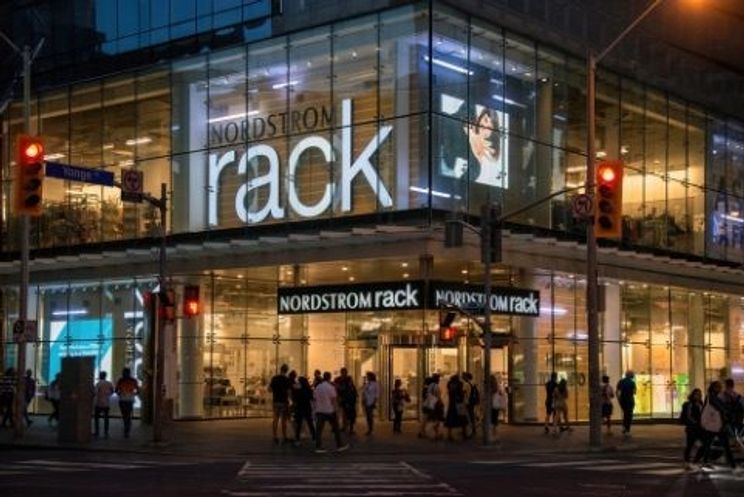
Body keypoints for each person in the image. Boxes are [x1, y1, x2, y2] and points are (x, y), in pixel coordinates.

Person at [695, 380, 739, 473]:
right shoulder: (712, 397)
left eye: (720, 386)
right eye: (718, 387)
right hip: (715, 426)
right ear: (714, 388)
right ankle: (733, 466)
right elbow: (721, 408)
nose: (720, 388)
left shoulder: (713, 397)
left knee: (708, 445)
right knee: (721, 446)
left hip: (715, 426)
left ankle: (705, 462)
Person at [313, 371, 348, 453]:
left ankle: (318, 447)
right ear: (329, 377)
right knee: (336, 429)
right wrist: (336, 410)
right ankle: (339, 445)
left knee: (319, 430)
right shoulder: (331, 387)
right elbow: (333, 400)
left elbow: (314, 397)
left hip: (320, 410)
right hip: (329, 411)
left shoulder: (318, 387)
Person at [680, 388, 703, 470]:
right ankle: (687, 463)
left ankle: (695, 462)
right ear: (693, 395)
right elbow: (689, 416)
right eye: (697, 394)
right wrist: (696, 423)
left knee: (703, 446)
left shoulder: (701, 404)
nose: (698, 396)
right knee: (690, 446)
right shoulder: (689, 404)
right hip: (691, 429)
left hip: (700, 429)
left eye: (700, 394)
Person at [268, 364, 292, 444]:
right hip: (284, 401)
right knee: (284, 420)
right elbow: (289, 392)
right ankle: (284, 437)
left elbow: (269, 389)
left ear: (280, 369)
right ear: (286, 370)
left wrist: (275, 390)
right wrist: (290, 400)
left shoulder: (274, 378)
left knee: (275, 419)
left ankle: (275, 436)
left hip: (276, 401)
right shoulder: (287, 379)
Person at [115, 367, 139, 439]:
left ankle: (126, 429)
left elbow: (116, 390)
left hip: (122, 400)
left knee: (125, 415)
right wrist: (133, 394)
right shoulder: (133, 380)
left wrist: (121, 394)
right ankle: (127, 430)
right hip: (130, 400)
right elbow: (138, 390)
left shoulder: (121, 380)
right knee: (128, 416)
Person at [292, 376, 315, 446]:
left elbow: (294, 397)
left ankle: (297, 439)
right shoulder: (308, 388)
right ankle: (314, 437)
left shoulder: (297, 388)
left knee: (298, 425)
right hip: (307, 407)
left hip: (299, 408)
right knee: (310, 423)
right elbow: (311, 397)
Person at [444, 374, 468, 441]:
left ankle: (449, 435)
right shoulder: (459, 384)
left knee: (450, 420)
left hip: (452, 404)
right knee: (463, 419)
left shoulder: (449, 384)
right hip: (459, 403)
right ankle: (464, 433)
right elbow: (461, 393)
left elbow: (450, 392)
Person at [334, 368, 358, 435]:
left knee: (350, 414)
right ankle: (345, 427)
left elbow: (350, 388)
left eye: (345, 372)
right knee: (344, 413)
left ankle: (349, 428)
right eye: (343, 372)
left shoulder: (348, 379)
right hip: (343, 399)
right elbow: (337, 388)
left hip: (349, 399)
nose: (344, 373)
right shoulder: (338, 379)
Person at [418, 374, 442, 440]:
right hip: (432, 405)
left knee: (425, 419)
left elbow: (424, 397)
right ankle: (434, 434)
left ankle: (422, 432)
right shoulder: (434, 386)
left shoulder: (426, 388)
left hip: (426, 405)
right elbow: (438, 396)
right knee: (435, 419)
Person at [93, 371, 115, 438]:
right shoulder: (109, 383)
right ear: (105, 376)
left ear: (100, 376)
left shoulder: (98, 384)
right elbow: (112, 391)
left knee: (96, 418)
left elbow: (95, 393)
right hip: (106, 403)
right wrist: (108, 395)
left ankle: (97, 432)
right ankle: (106, 433)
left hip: (99, 403)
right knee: (106, 418)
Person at [616, 370, 637, 438]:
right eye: (632, 374)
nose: (633, 375)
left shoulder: (621, 381)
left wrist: (619, 399)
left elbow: (617, 391)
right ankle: (627, 430)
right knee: (629, 415)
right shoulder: (632, 382)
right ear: (630, 375)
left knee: (625, 413)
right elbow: (634, 392)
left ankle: (624, 427)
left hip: (623, 400)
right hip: (630, 400)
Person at [362, 371, 379, 436]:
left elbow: (376, 394)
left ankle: (370, 429)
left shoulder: (375, 384)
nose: (367, 377)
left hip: (371, 401)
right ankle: (369, 428)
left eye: (368, 376)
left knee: (370, 416)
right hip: (366, 401)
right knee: (368, 416)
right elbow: (364, 391)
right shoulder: (367, 384)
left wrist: (374, 402)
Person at [490, 375, 508, 440]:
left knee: (492, 419)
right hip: (495, 405)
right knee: (494, 419)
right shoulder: (497, 386)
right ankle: (494, 433)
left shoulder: (490, 387)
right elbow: (501, 394)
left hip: (491, 405)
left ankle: (493, 434)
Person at [462, 372, 479, 438]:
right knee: (471, 415)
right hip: (472, 402)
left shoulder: (466, 384)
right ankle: (474, 429)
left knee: (466, 416)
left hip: (467, 402)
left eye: (464, 376)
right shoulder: (473, 383)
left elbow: (463, 393)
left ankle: (469, 431)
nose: (463, 378)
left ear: (466, 377)